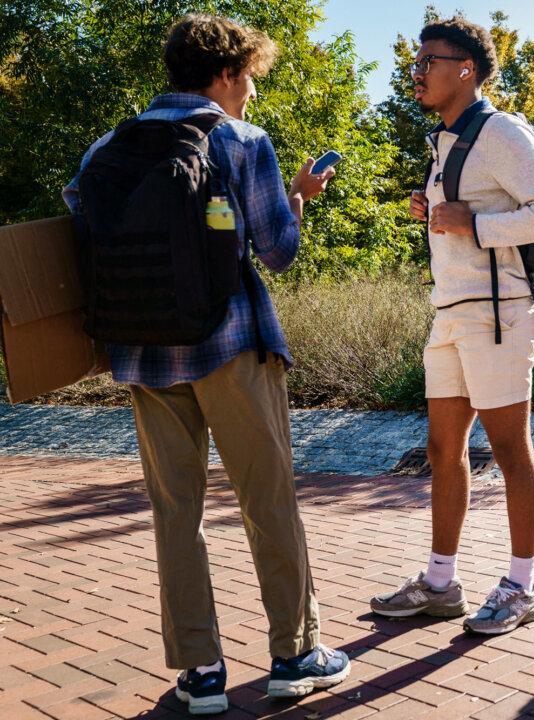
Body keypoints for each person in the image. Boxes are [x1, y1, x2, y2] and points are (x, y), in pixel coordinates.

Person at [63, 14, 349, 714]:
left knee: (175, 512)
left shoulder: (108, 148)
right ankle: (294, 654)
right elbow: (277, 249)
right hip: (230, 345)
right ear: (224, 73)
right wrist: (297, 204)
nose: (250, 92)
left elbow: (79, 228)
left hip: (141, 352)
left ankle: (202, 672)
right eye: (248, 78)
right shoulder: (241, 140)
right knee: (267, 498)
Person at [368, 16, 534, 635]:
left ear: (466, 68)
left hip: (500, 313)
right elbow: (466, 211)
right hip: (452, 313)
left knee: (510, 450)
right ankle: (439, 583)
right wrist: (437, 212)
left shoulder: (501, 132)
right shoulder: (447, 141)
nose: (417, 72)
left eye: (427, 61)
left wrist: (474, 225)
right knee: (442, 451)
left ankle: (522, 586)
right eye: (416, 62)